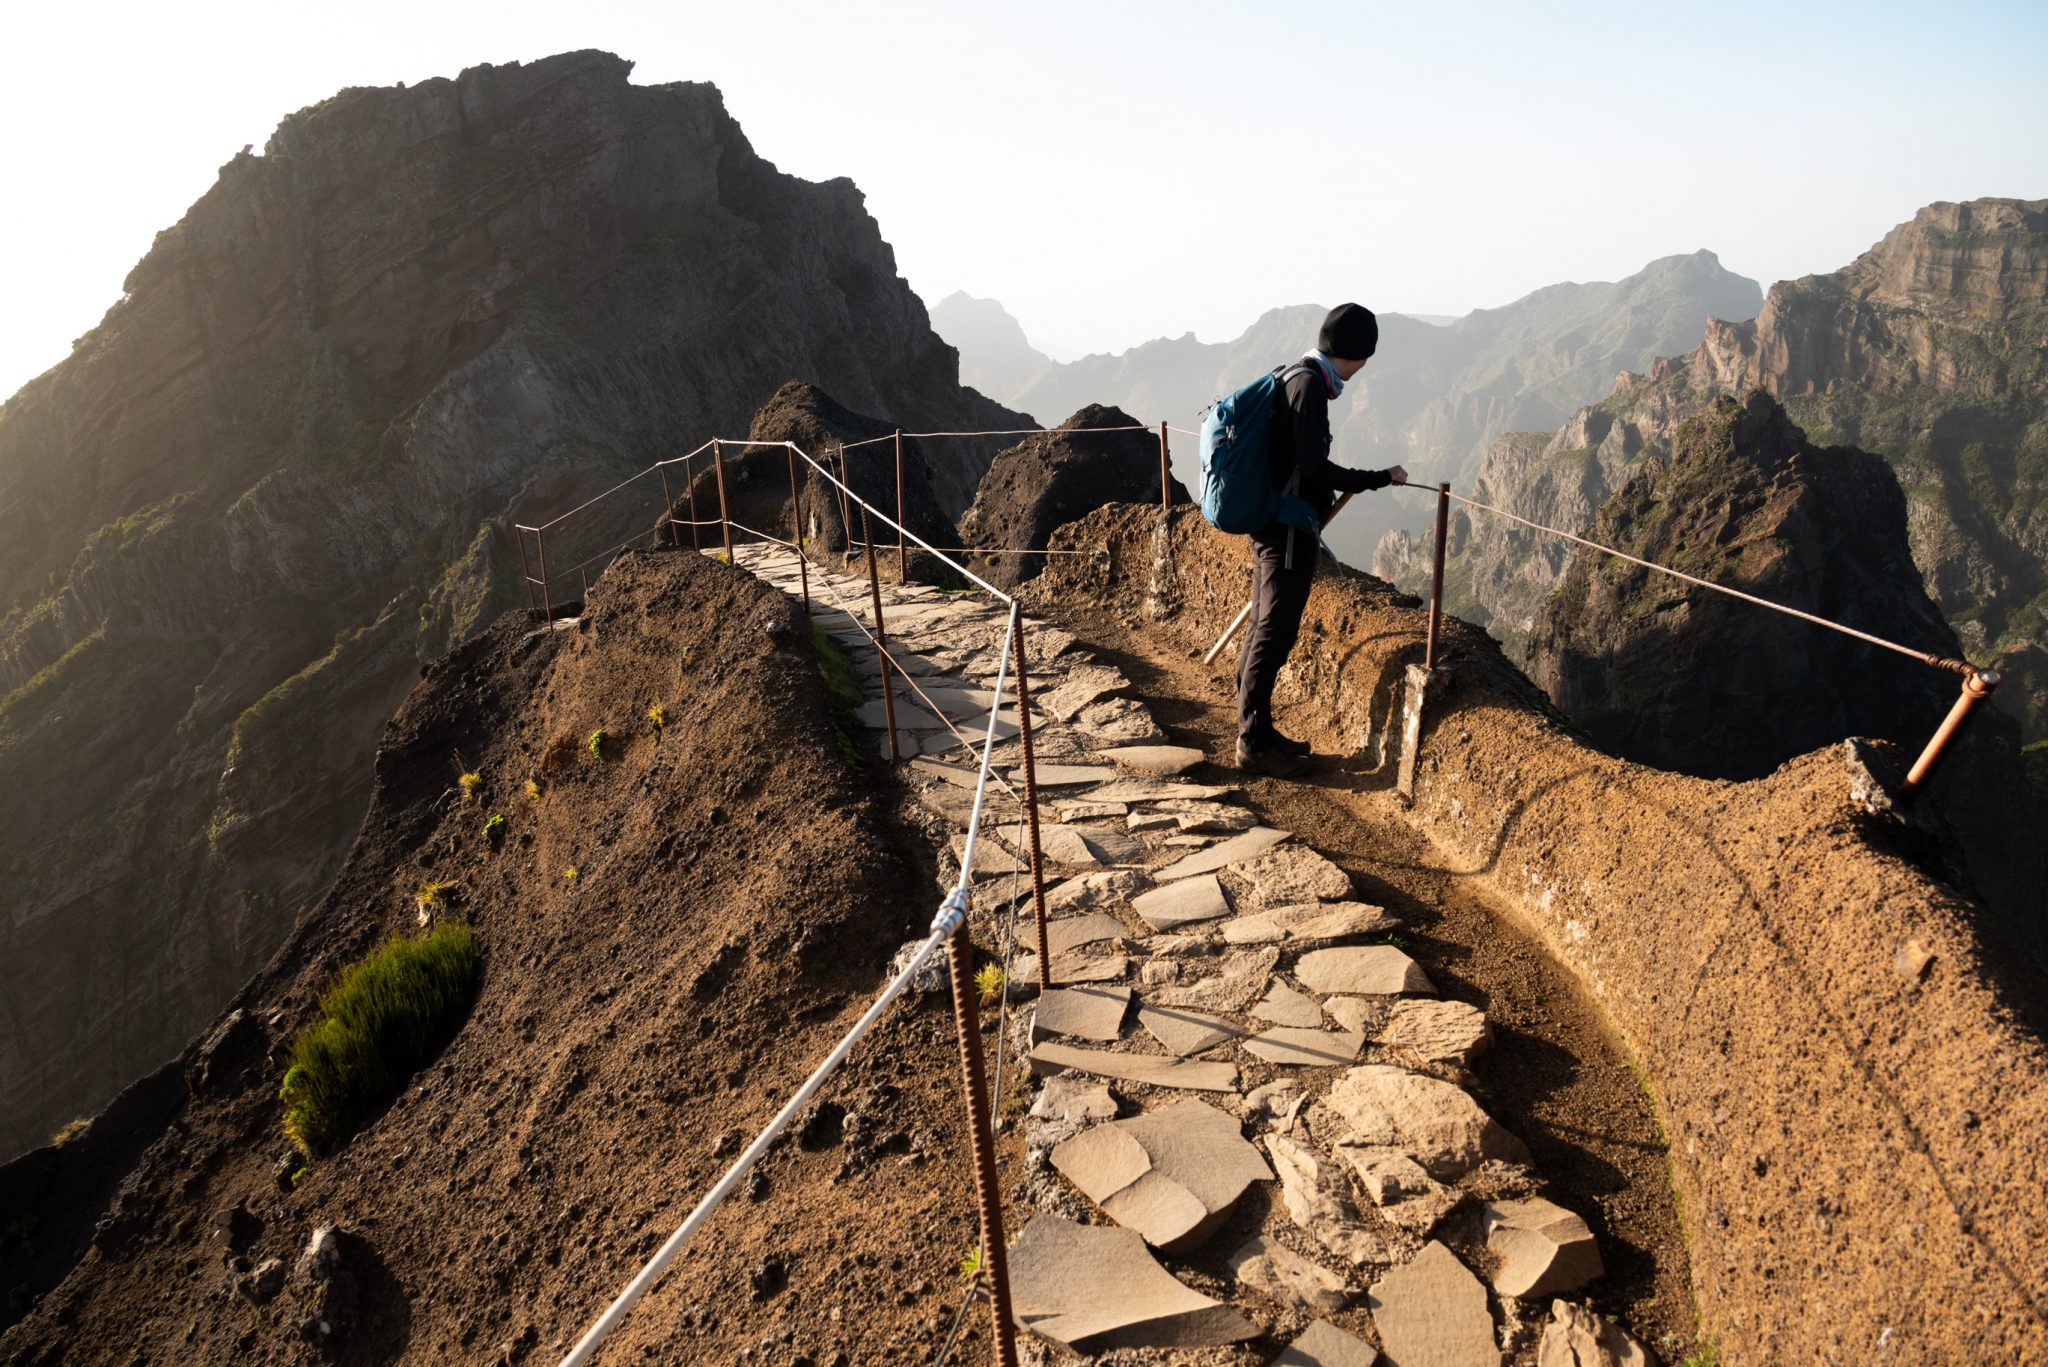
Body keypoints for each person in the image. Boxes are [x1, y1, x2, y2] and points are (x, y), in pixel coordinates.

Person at [1236, 302, 1406, 777]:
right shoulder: (1310, 387)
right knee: (1274, 629)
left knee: (1264, 624)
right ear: (1358, 355)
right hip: (1287, 526)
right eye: (1366, 357)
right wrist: (1379, 477)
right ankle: (1252, 741)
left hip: (1274, 519)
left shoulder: (1295, 375)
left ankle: (1260, 730)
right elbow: (1314, 467)